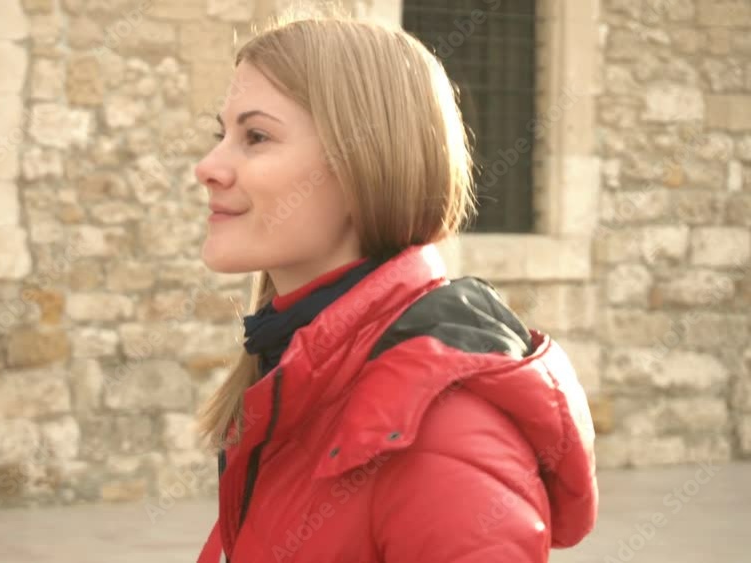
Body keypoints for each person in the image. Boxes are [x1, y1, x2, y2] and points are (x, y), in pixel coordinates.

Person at [192, 11, 598, 563]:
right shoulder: (290, 370)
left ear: (362, 163)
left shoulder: (444, 432)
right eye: (222, 135)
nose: (208, 166)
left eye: (256, 136)